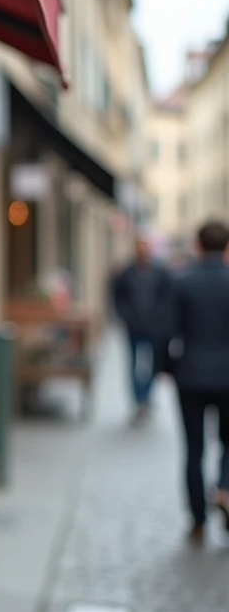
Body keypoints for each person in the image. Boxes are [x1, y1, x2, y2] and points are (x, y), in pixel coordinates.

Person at [165, 220, 229, 541]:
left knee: (193, 449)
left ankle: (198, 520)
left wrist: (167, 367)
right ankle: (226, 489)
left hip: (190, 375)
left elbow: (166, 330)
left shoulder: (183, 281)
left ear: (198, 245)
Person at [112, 236, 174, 424]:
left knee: (152, 365)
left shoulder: (160, 272)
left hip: (154, 328)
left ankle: (146, 397)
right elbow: (117, 297)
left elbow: (167, 297)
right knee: (134, 365)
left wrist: (161, 319)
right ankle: (138, 401)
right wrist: (126, 316)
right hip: (134, 327)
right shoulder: (127, 272)